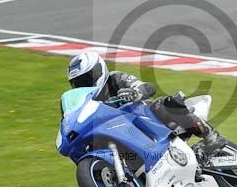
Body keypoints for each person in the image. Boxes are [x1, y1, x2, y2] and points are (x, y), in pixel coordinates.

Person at [66, 51, 227, 160]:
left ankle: (212, 137)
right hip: (124, 133)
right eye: (78, 84)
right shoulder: (89, 102)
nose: (84, 86)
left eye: (86, 80)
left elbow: (147, 87)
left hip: (147, 119)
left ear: (98, 71)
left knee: (163, 104)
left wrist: (135, 93)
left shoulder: (115, 79)